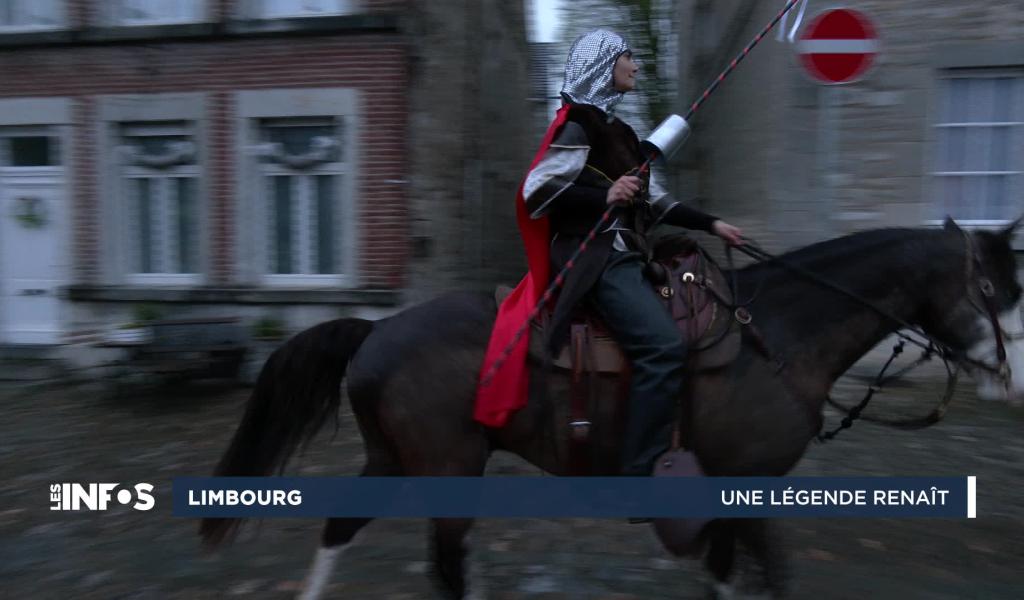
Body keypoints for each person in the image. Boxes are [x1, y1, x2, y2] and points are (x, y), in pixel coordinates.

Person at [475, 29, 741, 477]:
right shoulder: (580, 124)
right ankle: (639, 472)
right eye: (628, 57)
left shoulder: (623, 133)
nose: (635, 66)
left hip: (627, 253)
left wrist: (712, 224)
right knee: (663, 347)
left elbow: (657, 201)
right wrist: (606, 194)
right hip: (593, 258)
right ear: (605, 66)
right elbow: (538, 191)